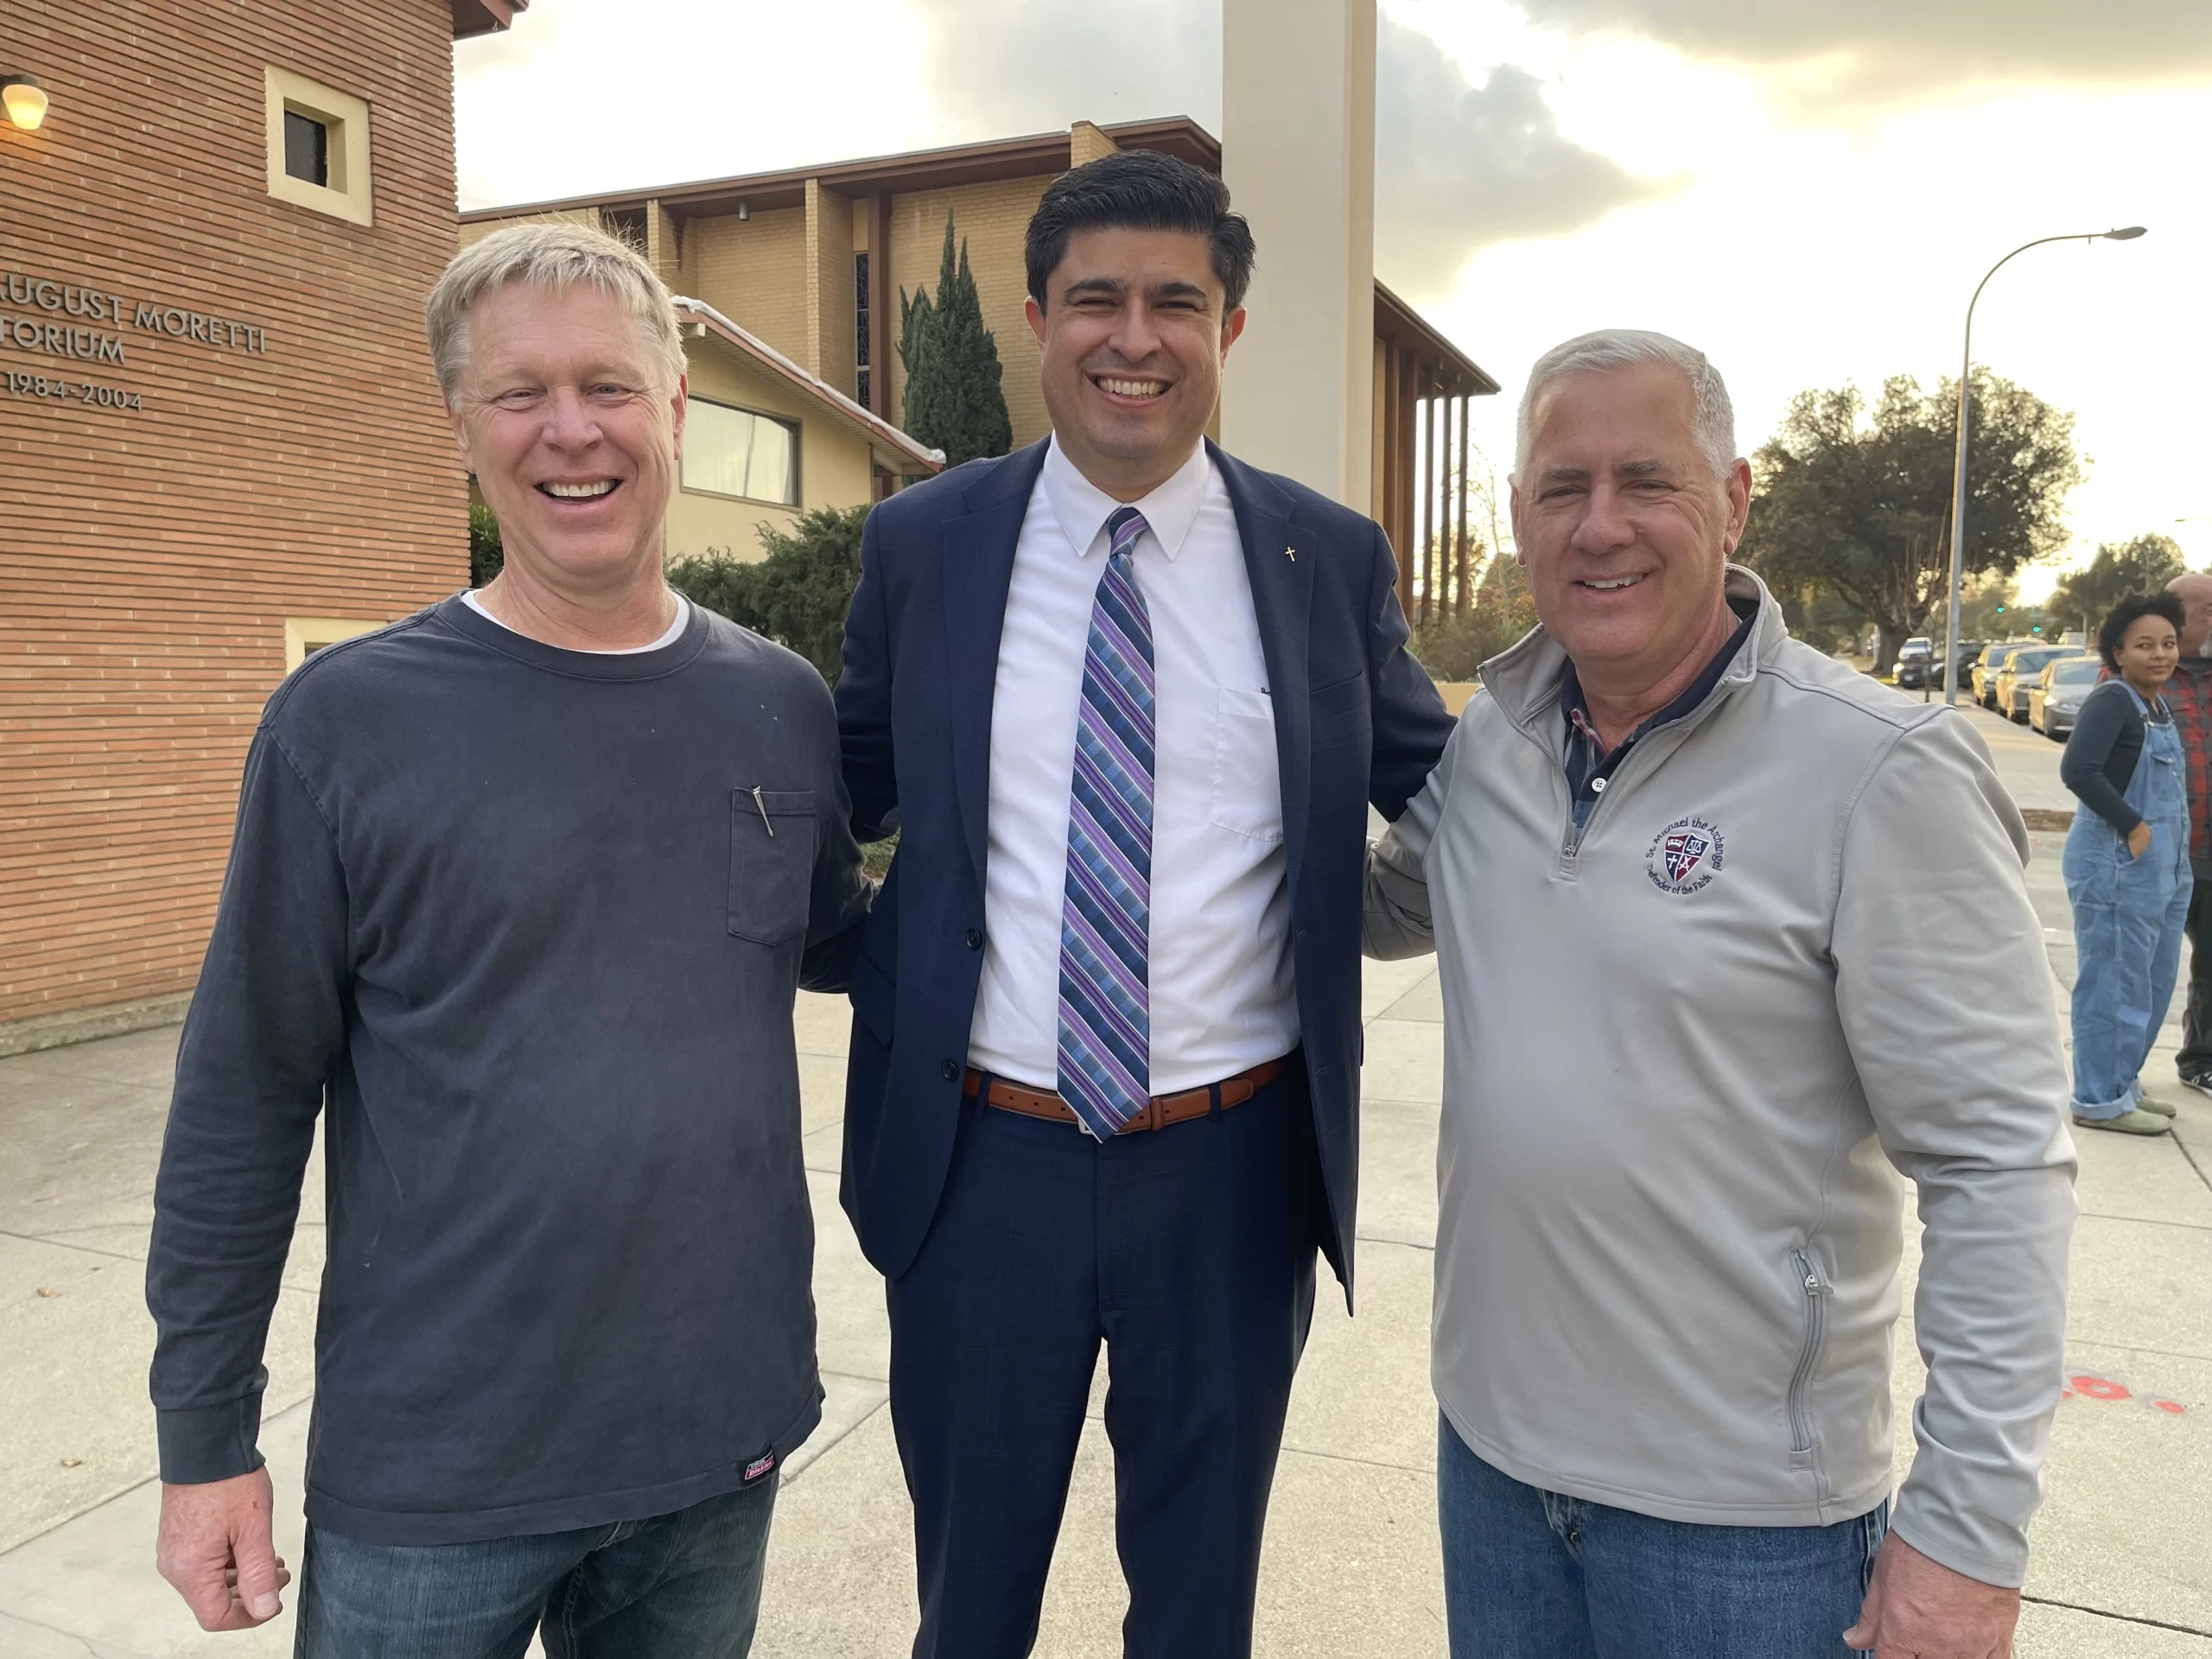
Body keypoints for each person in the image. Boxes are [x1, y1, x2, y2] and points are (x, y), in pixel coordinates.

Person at [145, 222, 871, 1656]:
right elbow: (243, 1095)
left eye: (607, 385)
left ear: (674, 407)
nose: (569, 431)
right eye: (519, 393)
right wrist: (203, 1438)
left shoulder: (778, 705)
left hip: (711, 1443)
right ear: (461, 426)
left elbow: (849, 938)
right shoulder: (346, 724)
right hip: (437, 1475)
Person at [1363, 329, 2075, 1658]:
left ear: (1735, 499)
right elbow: (1389, 902)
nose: (1602, 527)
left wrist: (1966, 1539)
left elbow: (1997, 1168)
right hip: (1496, 1466)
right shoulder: (1497, 736)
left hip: (1745, 1532)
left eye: (1650, 480)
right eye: (1563, 489)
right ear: (1518, 516)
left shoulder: (1880, 771)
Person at [834, 149, 1453, 1656]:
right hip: (985, 1164)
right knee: (967, 1605)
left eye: (1177, 302)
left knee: (1196, 1611)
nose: (1136, 336)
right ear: (1038, 315)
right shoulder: (924, 546)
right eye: (1096, 299)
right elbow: (832, 792)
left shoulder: (1323, 557)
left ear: (1225, 329)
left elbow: (1454, 799)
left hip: (1232, 1173)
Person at [2059, 592, 2190, 1135]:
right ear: (2118, 651)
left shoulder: (2158, 705)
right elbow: (2079, 770)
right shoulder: (2113, 701)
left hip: (2163, 870)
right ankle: (2098, 1099)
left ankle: (2124, 1083)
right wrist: (2134, 827)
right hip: (2117, 866)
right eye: (2144, 645)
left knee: (2152, 983)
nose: (2160, 654)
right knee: (2114, 985)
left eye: (2168, 643)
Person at [2158, 571, 2212, 1093]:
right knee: (2144, 970)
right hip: (2160, 853)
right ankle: (2114, 1076)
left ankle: (2202, 1060)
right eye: (2209, 610)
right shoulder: (2142, 674)